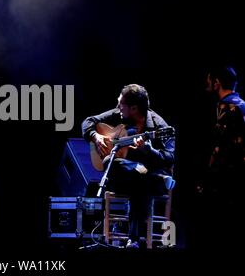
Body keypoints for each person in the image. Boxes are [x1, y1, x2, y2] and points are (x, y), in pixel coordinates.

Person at [82, 84, 175, 248]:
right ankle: (157, 180)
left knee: (139, 185)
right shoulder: (119, 114)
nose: (117, 107)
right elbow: (89, 121)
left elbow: (169, 158)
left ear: (133, 108)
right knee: (109, 162)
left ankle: (134, 239)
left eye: (121, 104)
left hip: (138, 183)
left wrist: (149, 150)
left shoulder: (159, 126)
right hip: (124, 178)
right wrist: (95, 136)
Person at [195, 66, 245, 247]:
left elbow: (219, 146)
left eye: (209, 80)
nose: (206, 83)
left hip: (222, 177)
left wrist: (205, 178)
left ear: (217, 83)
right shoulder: (241, 104)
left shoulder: (226, 107)